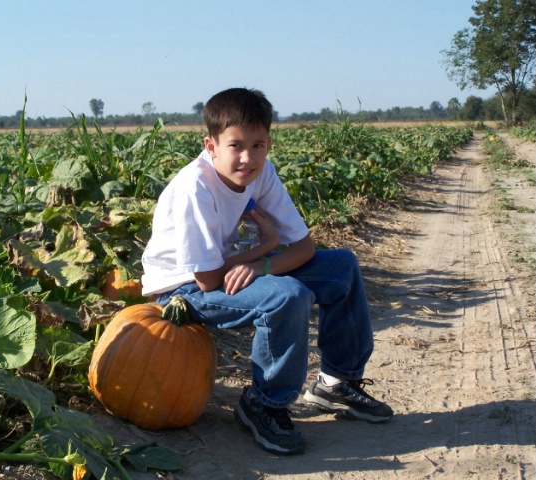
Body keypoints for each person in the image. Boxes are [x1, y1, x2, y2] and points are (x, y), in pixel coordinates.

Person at [141, 87, 393, 455]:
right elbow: (207, 279)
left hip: (229, 271)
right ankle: (263, 402)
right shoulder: (195, 188)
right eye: (236, 146)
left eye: (257, 146)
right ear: (210, 146)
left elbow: (304, 246)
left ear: (269, 144)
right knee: (287, 296)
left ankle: (336, 383)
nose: (247, 158)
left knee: (341, 266)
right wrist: (263, 250)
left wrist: (263, 264)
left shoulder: (262, 174)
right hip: (182, 290)